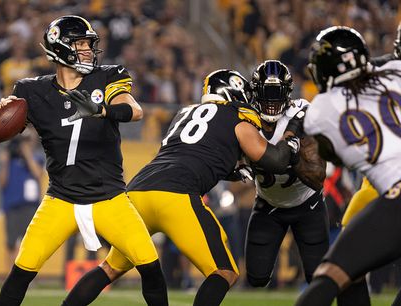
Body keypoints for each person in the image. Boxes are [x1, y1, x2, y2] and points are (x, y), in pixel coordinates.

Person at [65, 69, 303, 306]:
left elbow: (191, 152)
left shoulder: (184, 114)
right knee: (224, 271)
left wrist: (231, 170)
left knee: (109, 268)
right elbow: (276, 161)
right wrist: (292, 133)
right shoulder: (236, 116)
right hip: (177, 196)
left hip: (137, 193)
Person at [0, 15, 169, 306]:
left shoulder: (108, 76)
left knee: (151, 267)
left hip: (110, 198)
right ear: (61, 48)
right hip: (61, 199)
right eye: (80, 44)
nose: (88, 51)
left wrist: (102, 110)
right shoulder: (31, 91)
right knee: (21, 271)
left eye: (89, 45)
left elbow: (134, 110)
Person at [295, 26, 401, 306]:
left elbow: (335, 157)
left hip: (397, 194)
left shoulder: (320, 110)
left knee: (333, 275)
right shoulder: (395, 71)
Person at [244, 60, 328, 288]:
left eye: (276, 93)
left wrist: (291, 156)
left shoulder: (301, 115)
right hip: (268, 204)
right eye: (265, 92)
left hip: (307, 204)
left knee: (318, 279)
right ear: (255, 92)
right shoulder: (245, 118)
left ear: (287, 93)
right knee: (256, 278)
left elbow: (318, 177)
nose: (271, 101)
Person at [0, 134, 44, 267]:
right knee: (11, 243)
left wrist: (27, 154)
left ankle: (28, 273)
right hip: (12, 205)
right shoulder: (9, 160)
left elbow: (38, 174)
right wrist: (5, 162)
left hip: (30, 206)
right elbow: (2, 182)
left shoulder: (36, 158)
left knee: (30, 243)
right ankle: (9, 276)